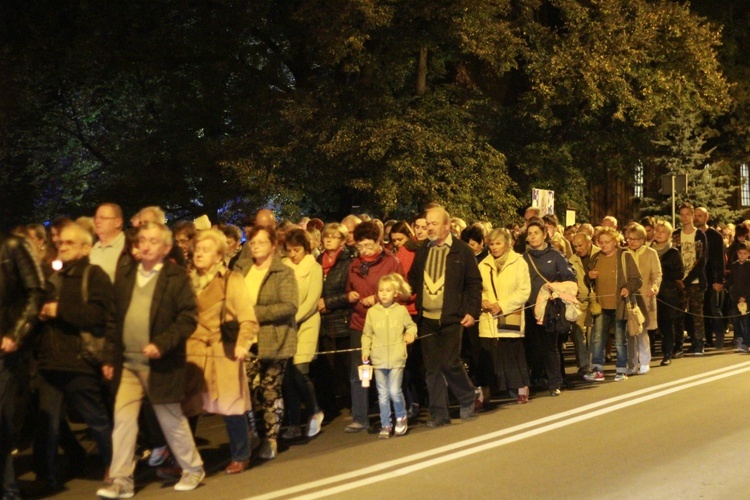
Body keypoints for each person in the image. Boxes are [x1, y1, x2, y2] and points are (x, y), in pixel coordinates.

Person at [98, 222, 205, 498]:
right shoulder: (126, 276)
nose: (146, 245)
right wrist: (109, 357)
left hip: (161, 364)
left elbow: (188, 318)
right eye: (143, 240)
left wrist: (162, 344)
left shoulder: (176, 278)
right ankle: (122, 479)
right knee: (123, 421)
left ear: (166, 247)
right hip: (128, 364)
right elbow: (113, 321)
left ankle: (193, 468)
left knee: (170, 419)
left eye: (153, 241)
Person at [32, 224, 114, 495]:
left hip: (79, 360)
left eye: (69, 243)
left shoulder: (94, 275)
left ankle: (116, 465)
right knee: (47, 424)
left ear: (85, 248)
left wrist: (60, 310)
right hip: (50, 360)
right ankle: (46, 477)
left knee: (96, 419)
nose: (62, 246)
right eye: (61, 243)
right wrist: (40, 315)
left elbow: (99, 315)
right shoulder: (54, 277)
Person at [183, 228, 258, 475]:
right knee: (189, 407)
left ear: (218, 255)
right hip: (192, 352)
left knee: (230, 405)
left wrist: (242, 343)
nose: (199, 254)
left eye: (206, 250)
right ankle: (184, 459)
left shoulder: (231, 280)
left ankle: (241, 453)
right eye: (197, 249)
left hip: (222, 351)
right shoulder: (186, 281)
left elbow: (248, 319)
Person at [407, 207, 481, 425]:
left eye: (434, 223)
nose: (429, 227)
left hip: (452, 317)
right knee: (431, 369)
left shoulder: (462, 251)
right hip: (427, 319)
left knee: (449, 363)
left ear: (447, 225)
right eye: (427, 223)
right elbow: (412, 280)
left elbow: (474, 284)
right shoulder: (423, 251)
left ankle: (468, 397)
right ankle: (439, 414)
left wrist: (472, 311)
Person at [234, 226, 297, 459]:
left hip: (275, 338)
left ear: (273, 245)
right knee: (244, 390)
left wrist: (253, 312)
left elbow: (290, 306)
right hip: (246, 340)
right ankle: (251, 434)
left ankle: (270, 439)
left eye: (261, 242)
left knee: (270, 390)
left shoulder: (284, 272)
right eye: (253, 242)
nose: (256, 246)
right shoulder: (242, 269)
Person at [345, 221, 404, 432]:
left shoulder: (391, 262)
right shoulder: (353, 265)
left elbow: (402, 292)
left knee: (389, 370)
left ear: (379, 242)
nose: (364, 251)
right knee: (359, 371)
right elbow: (349, 288)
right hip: (360, 323)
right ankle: (360, 417)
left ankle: (397, 413)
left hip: (385, 325)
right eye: (360, 247)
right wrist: (349, 296)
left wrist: (378, 298)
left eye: (368, 246)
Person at [0, 231, 45, 499]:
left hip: (4, 348)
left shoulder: (12, 246)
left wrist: (15, 333)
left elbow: (36, 291)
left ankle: (8, 488)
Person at [522, 218, 577, 395]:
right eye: (529, 234)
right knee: (530, 347)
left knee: (549, 347)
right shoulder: (523, 258)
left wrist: (556, 288)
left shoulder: (555, 256)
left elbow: (570, 278)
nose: (532, 237)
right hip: (528, 308)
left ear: (545, 234)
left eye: (536, 233)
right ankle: (534, 379)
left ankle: (555, 382)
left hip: (549, 309)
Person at [478, 229, 532, 403]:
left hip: (510, 314)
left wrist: (502, 305)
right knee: (487, 354)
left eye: (498, 243)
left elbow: (524, 291)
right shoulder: (483, 264)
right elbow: (476, 288)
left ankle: (522, 386)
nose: (494, 248)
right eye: (491, 244)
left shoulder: (519, 262)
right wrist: (483, 301)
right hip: (487, 317)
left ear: (508, 244)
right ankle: (485, 390)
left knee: (512, 352)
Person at [583, 226, 643, 382]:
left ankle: (621, 370)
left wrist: (626, 288)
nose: (603, 245)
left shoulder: (625, 256)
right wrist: (589, 276)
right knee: (597, 338)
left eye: (607, 242)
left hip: (620, 305)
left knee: (619, 339)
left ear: (615, 241)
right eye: (601, 242)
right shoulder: (596, 258)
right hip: (600, 306)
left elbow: (637, 279)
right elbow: (587, 280)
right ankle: (597, 369)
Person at [361, 274, 417, 438]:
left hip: (396, 358)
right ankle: (386, 424)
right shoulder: (372, 312)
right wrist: (365, 351)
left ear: (395, 293)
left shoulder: (401, 311)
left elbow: (411, 326)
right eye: (381, 290)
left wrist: (410, 334)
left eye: (388, 290)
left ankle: (401, 417)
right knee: (382, 394)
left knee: (394, 391)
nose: (384, 293)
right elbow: (367, 334)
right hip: (378, 359)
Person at [282, 229, 325, 439]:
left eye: (296, 250)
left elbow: (312, 300)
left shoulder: (314, 267)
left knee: (300, 369)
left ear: (305, 248)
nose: (292, 255)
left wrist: (294, 317)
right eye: (289, 250)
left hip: (306, 323)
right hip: (287, 327)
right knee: (287, 375)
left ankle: (314, 410)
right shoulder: (283, 267)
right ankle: (293, 422)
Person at [315, 223, 353, 415]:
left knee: (346, 363)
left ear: (343, 240)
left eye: (334, 236)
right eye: (326, 236)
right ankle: (331, 404)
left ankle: (352, 401)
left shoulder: (347, 262)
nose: (328, 239)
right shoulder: (317, 261)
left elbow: (351, 293)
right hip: (322, 322)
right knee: (327, 365)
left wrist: (328, 302)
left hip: (342, 319)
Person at [625, 223, 662, 375]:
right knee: (629, 331)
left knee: (642, 331)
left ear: (642, 239)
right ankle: (632, 362)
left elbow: (657, 274)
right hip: (627, 298)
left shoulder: (650, 253)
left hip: (644, 297)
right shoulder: (624, 253)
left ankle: (645, 361)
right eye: (629, 239)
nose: (632, 242)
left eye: (635, 239)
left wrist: (654, 287)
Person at [672, 202, 708, 356]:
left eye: (688, 214)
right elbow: (673, 256)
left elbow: (702, 259)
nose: (685, 217)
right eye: (682, 214)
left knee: (696, 313)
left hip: (695, 280)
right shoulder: (676, 234)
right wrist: (677, 278)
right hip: (679, 280)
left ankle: (698, 342)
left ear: (693, 215)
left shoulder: (699, 235)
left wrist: (687, 280)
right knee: (679, 314)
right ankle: (678, 344)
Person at [652, 221, 684, 365]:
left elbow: (679, 273)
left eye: (663, 231)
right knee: (650, 325)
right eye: (657, 231)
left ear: (669, 235)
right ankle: (648, 351)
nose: (659, 234)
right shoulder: (648, 250)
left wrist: (661, 270)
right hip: (651, 293)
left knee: (666, 325)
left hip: (667, 293)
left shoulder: (673, 252)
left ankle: (667, 353)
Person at [694, 207, 727, 349]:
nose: (697, 218)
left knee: (713, 308)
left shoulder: (715, 236)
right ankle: (706, 339)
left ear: (706, 217)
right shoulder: (692, 234)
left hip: (712, 278)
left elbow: (720, 260)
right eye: (695, 215)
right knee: (700, 310)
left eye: (700, 215)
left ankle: (719, 336)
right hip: (697, 278)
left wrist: (719, 280)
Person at [568, 233, 599, 377]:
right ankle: (583, 364)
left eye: (580, 245)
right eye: (575, 246)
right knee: (578, 332)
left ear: (588, 242)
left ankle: (593, 363)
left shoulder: (600, 254)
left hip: (598, 298)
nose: (578, 249)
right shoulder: (572, 260)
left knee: (594, 332)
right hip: (580, 300)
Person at [89, 203, 127, 283]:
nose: (97, 221)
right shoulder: (90, 246)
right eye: (95, 218)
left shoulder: (128, 247)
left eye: (103, 218)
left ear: (118, 222)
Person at [725, 242, 750, 352]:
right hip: (735, 297)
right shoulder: (734, 266)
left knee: (745, 320)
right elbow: (731, 280)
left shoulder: (749, 266)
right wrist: (723, 285)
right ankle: (739, 339)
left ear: (748, 254)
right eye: (740, 253)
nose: (742, 256)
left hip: (746, 298)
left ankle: (747, 342)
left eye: (744, 253)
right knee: (736, 320)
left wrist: (745, 296)